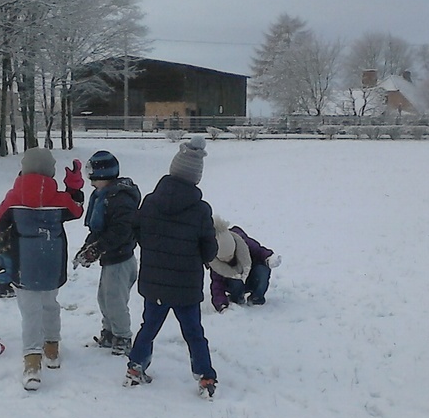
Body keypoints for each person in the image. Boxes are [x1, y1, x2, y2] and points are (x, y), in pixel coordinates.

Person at [125, 135, 219, 399]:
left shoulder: (150, 202)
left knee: (148, 327)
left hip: (154, 282)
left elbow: (137, 230)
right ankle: (205, 376)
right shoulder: (200, 210)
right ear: (196, 177)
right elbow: (209, 249)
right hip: (186, 286)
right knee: (194, 332)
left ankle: (135, 367)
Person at [0, 147, 84, 391]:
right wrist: (73, 186)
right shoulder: (59, 199)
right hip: (53, 264)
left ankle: (32, 364)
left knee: (30, 313)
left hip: (24, 265)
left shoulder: (14, 197)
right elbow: (76, 210)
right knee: (50, 304)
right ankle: (52, 349)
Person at [73, 150, 141, 355]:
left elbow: (120, 231)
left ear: (104, 176)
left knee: (115, 300)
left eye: (94, 178)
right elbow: (98, 230)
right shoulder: (104, 196)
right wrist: (87, 248)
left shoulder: (121, 199)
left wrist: (97, 249)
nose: (91, 183)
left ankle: (123, 337)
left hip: (121, 259)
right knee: (104, 298)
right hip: (111, 258)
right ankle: (109, 332)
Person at [209, 217, 281, 311]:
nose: (228, 259)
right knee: (235, 279)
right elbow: (217, 286)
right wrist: (221, 304)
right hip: (233, 284)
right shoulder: (215, 264)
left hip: (251, 276)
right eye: (223, 258)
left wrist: (269, 258)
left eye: (230, 255)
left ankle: (256, 298)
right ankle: (237, 299)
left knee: (263, 270)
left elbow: (259, 251)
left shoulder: (243, 242)